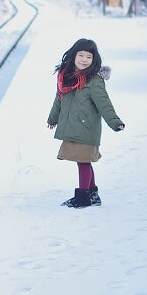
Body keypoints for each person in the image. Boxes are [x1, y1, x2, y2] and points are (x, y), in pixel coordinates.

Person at [46, 37, 125, 208]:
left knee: (83, 162)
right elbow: (59, 99)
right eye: (81, 55)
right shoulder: (65, 77)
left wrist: (115, 122)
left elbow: (104, 103)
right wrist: (53, 118)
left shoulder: (94, 81)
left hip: (86, 127)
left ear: (94, 60)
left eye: (88, 57)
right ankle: (93, 195)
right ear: (73, 56)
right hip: (73, 127)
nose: (84, 60)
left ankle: (82, 198)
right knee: (83, 161)